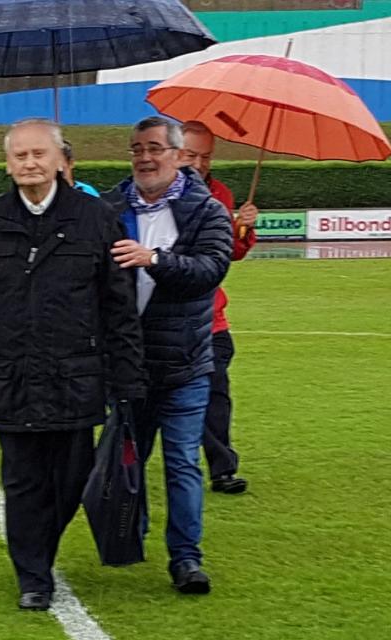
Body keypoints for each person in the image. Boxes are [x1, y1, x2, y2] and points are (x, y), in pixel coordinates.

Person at [0, 118, 146, 611]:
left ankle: (39, 549)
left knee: (71, 480)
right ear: (8, 163)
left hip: (76, 376)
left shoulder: (96, 218)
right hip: (12, 376)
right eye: (20, 156)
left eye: (39, 154)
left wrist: (129, 381)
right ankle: (33, 575)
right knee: (22, 481)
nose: (30, 164)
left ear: (60, 160)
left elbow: (118, 307)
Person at [102, 116, 232, 594]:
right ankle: (126, 537)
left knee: (181, 463)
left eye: (155, 148)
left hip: (184, 363)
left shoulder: (207, 210)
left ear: (179, 156)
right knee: (127, 461)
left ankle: (186, 558)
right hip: (128, 365)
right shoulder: (110, 206)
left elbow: (210, 269)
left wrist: (153, 258)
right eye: (137, 148)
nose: (144, 157)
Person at [180, 121, 258, 495]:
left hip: (210, 319)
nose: (199, 163)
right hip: (163, 318)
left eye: (206, 156)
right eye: (191, 155)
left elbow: (230, 253)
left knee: (216, 396)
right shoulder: (156, 194)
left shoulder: (221, 194)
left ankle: (222, 469)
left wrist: (243, 229)